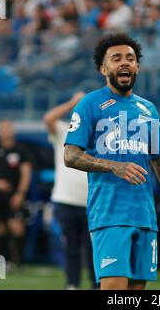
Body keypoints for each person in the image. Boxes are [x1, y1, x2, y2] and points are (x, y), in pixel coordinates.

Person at [63, 33, 160, 290]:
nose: (125, 63)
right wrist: (115, 166)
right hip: (109, 215)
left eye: (130, 58)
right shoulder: (89, 104)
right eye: (117, 59)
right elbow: (70, 156)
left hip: (145, 217)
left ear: (137, 67)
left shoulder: (149, 109)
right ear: (104, 68)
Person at [43, 91, 97, 290]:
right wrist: (73, 102)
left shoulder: (98, 133)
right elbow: (48, 118)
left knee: (94, 248)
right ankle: (72, 284)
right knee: (70, 246)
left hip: (92, 201)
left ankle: (96, 284)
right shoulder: (64, 129)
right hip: (65, 199)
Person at [0, 119, 32, 268]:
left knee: (17, 227)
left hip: (15, 194)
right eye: (3, 128)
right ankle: (4, 262)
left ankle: (21, 261)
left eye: (8, 128)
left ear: (13, 131)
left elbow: (26, 173)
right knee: (0, 228)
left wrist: (20, 193)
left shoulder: (21, 151)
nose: (6, 131)